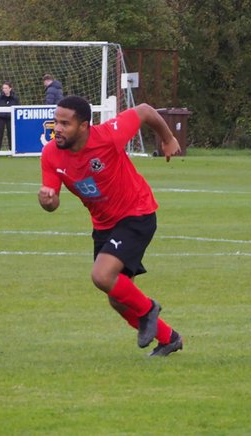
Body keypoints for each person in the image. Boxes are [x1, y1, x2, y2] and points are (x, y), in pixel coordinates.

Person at [37, 95, 183, 357]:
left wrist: (168, 138)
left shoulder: (108, 135)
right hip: (104, 224)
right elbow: (52, 203)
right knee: (117, 298)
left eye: (65, 124)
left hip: (136, 212)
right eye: (55, 122)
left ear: (84, 126)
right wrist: (47, 200)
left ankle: (149, 309)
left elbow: (145, 110)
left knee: (102, 276)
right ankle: (169, 339)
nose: (57, 128)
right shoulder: (51, 154)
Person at [0, 81, 20, 151]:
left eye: (6, 88)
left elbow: (18, 108)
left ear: (10, 89)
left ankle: (11, 150)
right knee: (0, 134)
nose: (4, 89)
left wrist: (13, 116)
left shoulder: (15, 98)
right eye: (3, 88)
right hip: (1, 118)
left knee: (10, 134)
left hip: (10, 119)